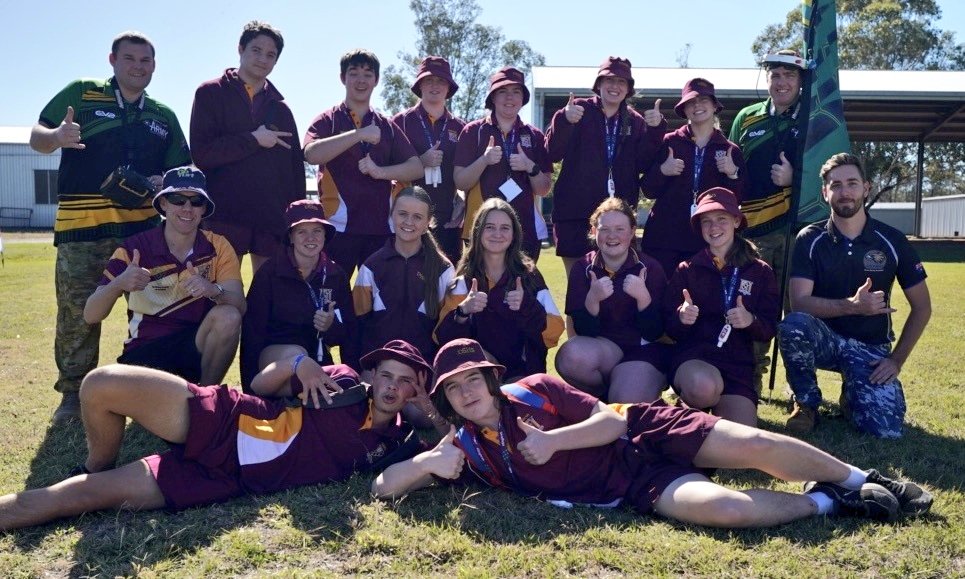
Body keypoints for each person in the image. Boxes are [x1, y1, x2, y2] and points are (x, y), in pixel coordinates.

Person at [372, 338, 934, 529]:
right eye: (454, 388)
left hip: (644, 429)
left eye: (475, 380)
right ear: (445, 399)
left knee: (755, 446)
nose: (468, 393)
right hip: (632, 485)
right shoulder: (466, 450)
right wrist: (423, 466)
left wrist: (552, 442)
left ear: (493, 379)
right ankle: (827, 504)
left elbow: (612, 419)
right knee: (727, 511)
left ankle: (861, 477)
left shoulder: (536, 388)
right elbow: (382, 488)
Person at [0, 340, 442, 531]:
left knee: (75, 498)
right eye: (386, 375)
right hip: (227, 421)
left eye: (405, 381)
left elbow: (447, 448)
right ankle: (97, 460)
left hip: (224, 480)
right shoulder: (343, 383)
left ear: (416, 388)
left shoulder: (398, 445)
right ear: (372, 374)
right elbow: (263, 383)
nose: (391, 388)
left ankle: (91, 479)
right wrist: (298, 363)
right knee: (100, 383)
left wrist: (430, 411)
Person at [29, 31, 191, 422]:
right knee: (76, 313)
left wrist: (161, 182)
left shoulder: (162, 115)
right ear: (113, 60)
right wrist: (57, 136)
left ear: (154, 66)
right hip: (81, 230)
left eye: (146, 61)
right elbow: (37, 137)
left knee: (153, 311)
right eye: (130, 59)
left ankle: (150, 387)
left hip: (141, 233)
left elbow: (182, 170)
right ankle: (72, 395)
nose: (138, 67)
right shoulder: (82, 94)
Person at [779, 153, 932, 438]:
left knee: (884, 430)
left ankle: (853, 395)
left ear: (866, 187)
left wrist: (896, 360)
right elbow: (799, 302)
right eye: (835, 185)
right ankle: (806, 404)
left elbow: (922, 307)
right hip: (825, 341)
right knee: (793, 325)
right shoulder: (810, 239)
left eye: (852, 183)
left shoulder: (892, 240)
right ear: (825, 193)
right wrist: (852, 306)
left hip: (870, 349)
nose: (844, 191)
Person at [83, 167, 245, 386]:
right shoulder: (135, 248)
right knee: (104, 389)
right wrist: (119, 284)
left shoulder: (219, 246)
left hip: (195, 347)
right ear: (163, 204)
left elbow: (239, 306)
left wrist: (213, 290)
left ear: (204, 208)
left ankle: (207, 401)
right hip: (145, 351)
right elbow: (90, 314)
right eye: (178, 199)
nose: (187, 208)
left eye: (196, 201)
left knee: (229, 316)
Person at [190, 20, 305, 275]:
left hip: (271, 220)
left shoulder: (281, 108)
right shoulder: (210, 93)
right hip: (224, 215)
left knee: (269, 297)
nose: (263, 59)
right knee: (221, 296)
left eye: (271, 54)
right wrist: (253, 140)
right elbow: (202, 154)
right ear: (240, 49)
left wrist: (296, 218)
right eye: (256, 50)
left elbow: (295, 169)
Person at [664, 188, 780, 426]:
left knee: (742, 441)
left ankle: (710, 415)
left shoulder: (759, 271)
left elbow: (770, 327)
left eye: (721, 219)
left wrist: (751, 321)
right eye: (706, 221)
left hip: (737, 366)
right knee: (703, 388)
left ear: (736, 221)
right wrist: (681, 317)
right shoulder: (687, 269)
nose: (714, 227)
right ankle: (688, 406)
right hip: (696, 359)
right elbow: (668, 326)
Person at [303, 49, 423, 276]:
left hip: (380, 229)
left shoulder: (385, 124)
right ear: (342, 78)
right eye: (354, 73)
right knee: (332, 298)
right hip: (338, 228)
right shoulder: (327, 119)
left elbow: (415, 168)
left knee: (378, 300)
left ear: (376, 80)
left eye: (368, 74)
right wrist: (358, 135)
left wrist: (380, 172)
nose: (361, 80)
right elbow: (311, 154)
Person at [728, 49, 806, 394]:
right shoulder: (746, 118)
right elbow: (731, 167)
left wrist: (795, 178)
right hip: (753, 234)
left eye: (790, 75)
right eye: (776, 75)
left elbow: (833, 171)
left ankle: (799, 388)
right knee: (753, 307)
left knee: (796, 310)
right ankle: (751, 381)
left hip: (796, 233)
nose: (782, 82)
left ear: (801, 81)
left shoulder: (813, 119)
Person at [546, 56, 666, 276]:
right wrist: (564, 120)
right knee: (578, 286)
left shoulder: (635, 121)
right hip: (575, 215)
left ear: (628, 89)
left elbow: (643, 163)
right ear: (598, 84)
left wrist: (656, 130)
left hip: (616, 220)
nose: (615, 86)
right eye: (609, 80)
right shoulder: (577, 110)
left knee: (615, 288)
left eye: (621, 82)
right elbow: (552, 153)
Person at [435, 198, 564, 381]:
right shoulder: (463, 281)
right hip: (479, 379)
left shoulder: (530, 277)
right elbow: (444, 340)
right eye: (489, 227)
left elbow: (555, 331)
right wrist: (463, 312)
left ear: (514, 234)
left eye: (505, 228)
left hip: (523, 379)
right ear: (478, 231)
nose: (497, 234)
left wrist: (527, 306)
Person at [555, 198, 668, 403]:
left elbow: (656, 333)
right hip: (605, 350)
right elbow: (583, 332)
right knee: (569, 356)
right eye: (604, 229)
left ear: (632, 231)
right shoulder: (583, 268)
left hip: (642, 351)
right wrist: (592, 300)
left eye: (620, 229)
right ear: (593, 231)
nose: (612, 236)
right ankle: (602, 397)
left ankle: (634, 387)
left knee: (625, 403)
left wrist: (643, 298)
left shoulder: (650, 267)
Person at [241, 199, 357, 390]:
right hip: (273, 358)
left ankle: (300, 403)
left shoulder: (336, 275)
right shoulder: (269, 273)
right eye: (302, 231)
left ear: (325, 235)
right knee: (298, 355)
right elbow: (252, 332)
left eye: (317, 231)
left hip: (315, 358)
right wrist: (250, 392)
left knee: (338, 382)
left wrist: (330, 326)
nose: (310, 238)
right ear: (291, 237)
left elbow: (348, 333)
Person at [641, 78, 747, 276]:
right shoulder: (669, 142)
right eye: (691, 102)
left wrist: (732, 174)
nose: (697, 106)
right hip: (665, 239)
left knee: (701, 299)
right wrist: (663, 171)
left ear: (715, 106)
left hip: (706, 240)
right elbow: (648, 189)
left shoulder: (729, 150)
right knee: (659, 297)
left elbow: (737, 200)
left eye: (704, 100)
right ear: (684, 109)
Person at [453, 67, 552, 261]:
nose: (510, 98)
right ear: (492, 98)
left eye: (516, 92)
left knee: (522, 290)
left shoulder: (534, 136)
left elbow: (544, 189)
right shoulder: (473, 131)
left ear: (523, 98)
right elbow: (460, 182)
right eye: (502, 91)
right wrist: (484, 160)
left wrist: (530, 167)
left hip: (525, 233)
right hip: (480, 230)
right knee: (482, 288)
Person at [353, 186, 455, 373]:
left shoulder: (444, 269)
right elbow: (358, 325)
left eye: (417, 217)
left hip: (424, 369)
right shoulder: (371, 266)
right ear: (391, 215)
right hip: (379, 369)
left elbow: (449, 328)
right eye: (402, 214)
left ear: (428, 223)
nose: (409, 222)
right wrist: (363, 371)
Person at [392, 56, 467, 265]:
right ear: (419, 85)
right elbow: (385, 169)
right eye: (429, 80)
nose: (435, 86)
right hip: (407, 220)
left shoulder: (460, 127)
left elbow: (467, 175)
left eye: (441, 81)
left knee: (447, 284)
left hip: (448, 221)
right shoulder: (400, 122)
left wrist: (464, 204)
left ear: (449, 87)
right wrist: (420, 162)